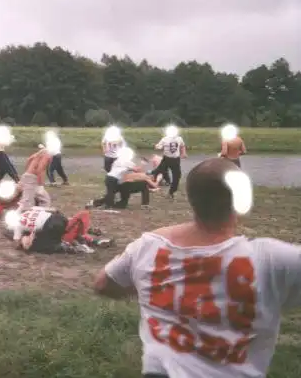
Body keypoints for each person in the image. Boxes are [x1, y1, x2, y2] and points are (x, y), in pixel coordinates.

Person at [93, 157, 301, 377]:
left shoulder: (148, 247)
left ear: (192, 199)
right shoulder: (271, 259)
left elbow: (102, 284)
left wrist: (156, 292)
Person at [6, 207, 113, 254]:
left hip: (50, 226)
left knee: (39, 245)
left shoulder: (17, 225)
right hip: (58, 218)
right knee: (69, 230)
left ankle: (74, 247)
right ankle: (95, 240)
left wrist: (24, 241)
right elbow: (53, 210)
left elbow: (17, 243)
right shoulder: (31, 210)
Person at [151, 129, 187, 198]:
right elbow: (159, 146)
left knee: (177, 176)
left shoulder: (179, 139)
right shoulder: (164, 139)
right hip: (166, 159)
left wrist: (184, 153)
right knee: (158, 171)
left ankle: (171, 192)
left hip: (176, 160)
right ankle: (151, 183)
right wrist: (157, 146)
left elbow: (182, 146)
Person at [17, 147, 52, 212]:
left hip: (28, 176)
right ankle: (17, 215)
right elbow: (40, 170)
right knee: (27, 203)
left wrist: (27, 171)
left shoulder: (40, 152)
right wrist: (40, 185)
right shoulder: (47, 155)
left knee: (45, 199)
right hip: (32, 179)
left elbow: (29, 160)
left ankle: (40, 214)